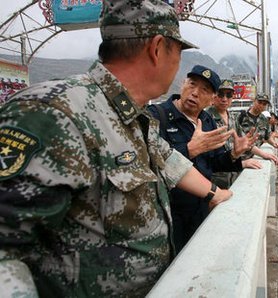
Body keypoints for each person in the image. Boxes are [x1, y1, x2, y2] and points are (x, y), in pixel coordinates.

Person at [0, 1, 233, 297]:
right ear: (158, 48)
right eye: (178, 53)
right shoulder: (52, 111)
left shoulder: (129, 115)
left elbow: (169, 161)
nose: (179, 66)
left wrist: (219, 195)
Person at [147, 66, 256, 252]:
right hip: (168, 214)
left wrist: (234, 154)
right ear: (183, 84)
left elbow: (214, 162)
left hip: (202, 206)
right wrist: (189, 149)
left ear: (211, 98)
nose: (195, 93)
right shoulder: (156, 116)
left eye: (204, 90)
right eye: (192, 85)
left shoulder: (206, 120)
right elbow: (149, 164)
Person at [205, 79, 262, 188]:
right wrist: (242, 163)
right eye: (220, 94)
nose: (224, 99)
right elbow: (206, 158)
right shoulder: (205, 118)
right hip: (214, 180)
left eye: (229, 95)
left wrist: (265, 154)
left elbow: (244, 142)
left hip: (233, 176)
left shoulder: (232, 117)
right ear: (214, 95)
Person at [237, 93, 278, 165]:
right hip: (241, 158)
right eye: (259, 102)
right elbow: (241, 141)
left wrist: (274, 143)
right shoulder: (241, 116)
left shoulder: (264, 119)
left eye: (264, 104)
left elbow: (267, 136)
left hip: (255, 157)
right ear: (254, 101)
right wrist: (264, 154)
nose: (261, 106)